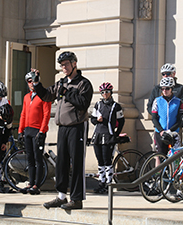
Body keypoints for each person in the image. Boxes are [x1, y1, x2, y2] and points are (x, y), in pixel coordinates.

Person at [33, 51, 93, 210]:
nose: (63, 67)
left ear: (74, 64)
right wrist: (37, 84)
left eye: (66, 64)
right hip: (63, 127)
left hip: (77, 126)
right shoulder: (61, 83)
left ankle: (77, 199)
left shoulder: (83, 83)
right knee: (61, 162)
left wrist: (67, 93)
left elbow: (82, 103)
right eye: (62, 65)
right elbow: (46, 96)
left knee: (77, 162)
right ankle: (61, 196)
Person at [18, 72, 52, 195]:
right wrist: (20, 130)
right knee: (30, 158)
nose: (31, 83)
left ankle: (37, 185)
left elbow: (46, 115)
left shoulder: (43, 96)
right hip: (27, 129)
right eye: (29, 81)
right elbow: (23, 114)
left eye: (33, 80)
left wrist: (42, 131)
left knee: (38, 158)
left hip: (37, 130)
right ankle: (30, 183)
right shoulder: (27, 97)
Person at [90, 82, 124, 194]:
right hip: (98, 135)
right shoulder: (98, 105)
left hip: (108, 135)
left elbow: (121, 120)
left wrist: (116, 134)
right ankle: (101, 183)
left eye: (107, 92)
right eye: (103, 92)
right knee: (100, 161)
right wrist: (97, 120)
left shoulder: (116, 106)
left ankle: (109, 184)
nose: (105, 94)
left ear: (111, 93)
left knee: (107, 160)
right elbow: (92, 119)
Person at [151, 77, 183, 156]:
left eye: (167, 89)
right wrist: (161, 130)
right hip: (160, 133)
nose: (164, 91)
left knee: (174, 156)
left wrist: (170, 130)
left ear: (171, 89)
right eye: (162, 89)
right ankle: (159, 169)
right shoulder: (157, 101)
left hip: (173, 133)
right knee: (160, 155)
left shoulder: (179, 102)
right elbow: (154, 118)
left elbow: (180, 119)